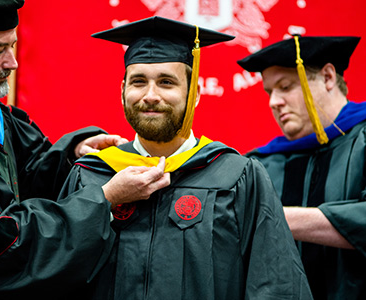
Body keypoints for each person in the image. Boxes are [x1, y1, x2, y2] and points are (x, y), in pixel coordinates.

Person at [0, 0, 170, 298]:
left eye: (13, 46)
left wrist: (72, 154)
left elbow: (26, 179)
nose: (13, 62)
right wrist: (103, 200)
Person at [62, 16, 313, 300]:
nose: (150, 95)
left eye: (167, 82)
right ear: (122, 92)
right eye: (138, 82)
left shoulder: (237, 177)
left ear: (194, 93)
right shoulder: (91, 176)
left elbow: (276, 285)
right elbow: (59, 276)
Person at [237, 35, 366, 299]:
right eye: (269, 92)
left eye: (285, 86)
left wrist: (270, 217)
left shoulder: (362, 140)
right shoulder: (263, 163)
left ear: (329, 77)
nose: (274, 102)